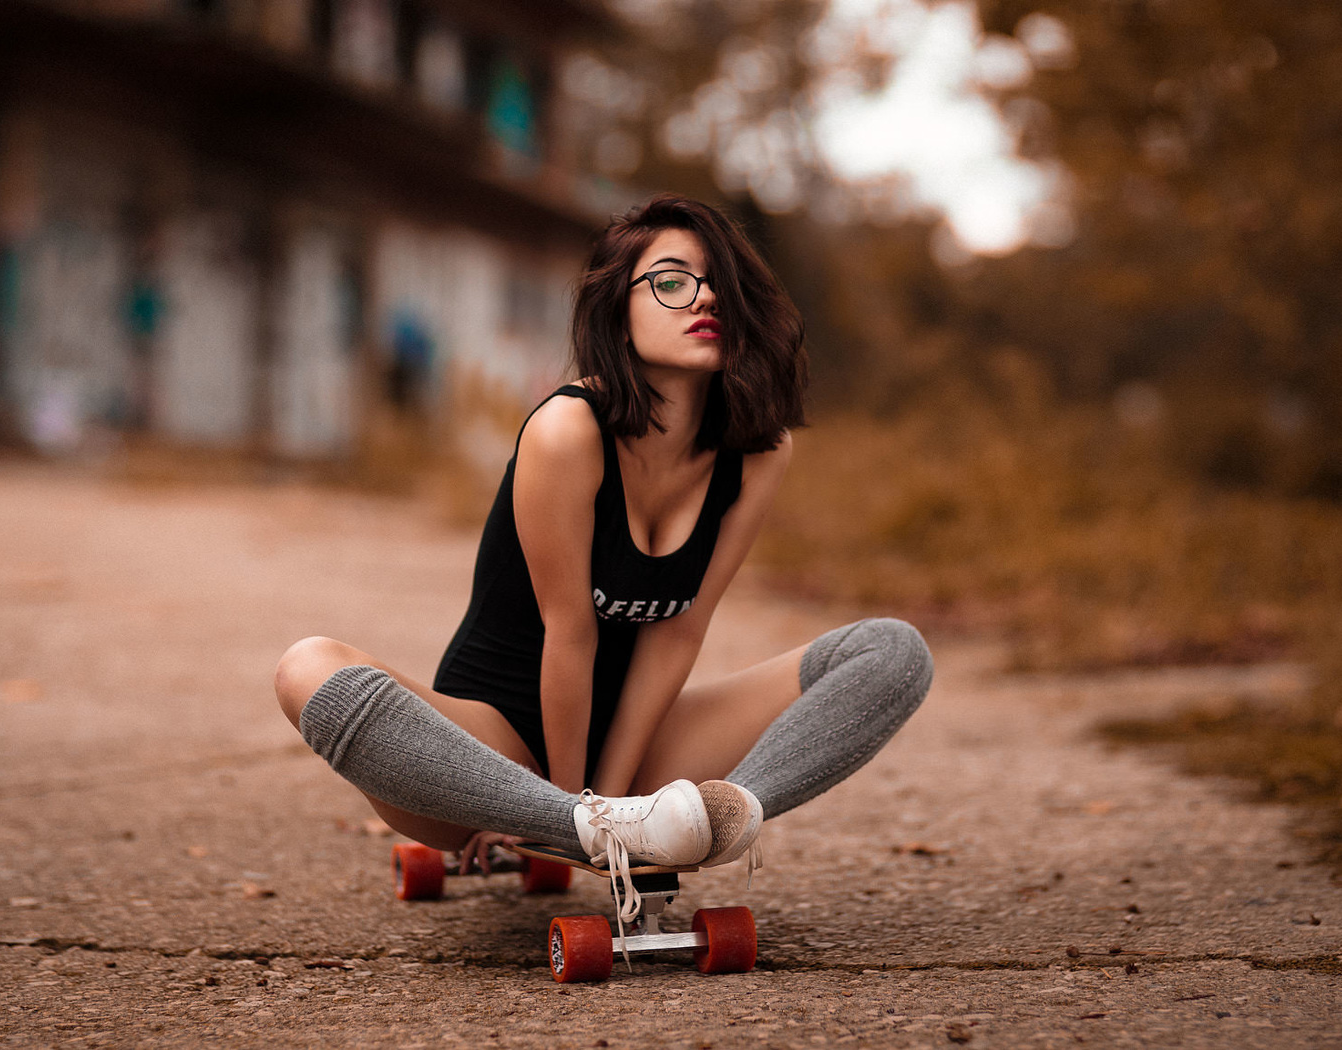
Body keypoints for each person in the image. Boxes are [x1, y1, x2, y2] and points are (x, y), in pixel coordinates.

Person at [274, 194, 933, 924]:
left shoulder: (759, 449)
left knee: (892, 651)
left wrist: (615, 801)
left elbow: (679, 630)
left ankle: (726, 816)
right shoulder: (568, 429)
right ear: (617, 310)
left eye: (720, 282)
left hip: (639, 751)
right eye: (673, 280)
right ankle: (575, 820)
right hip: (495, 751)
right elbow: (570, 632)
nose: (705, 296)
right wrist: (570, 814)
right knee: (307, 667)